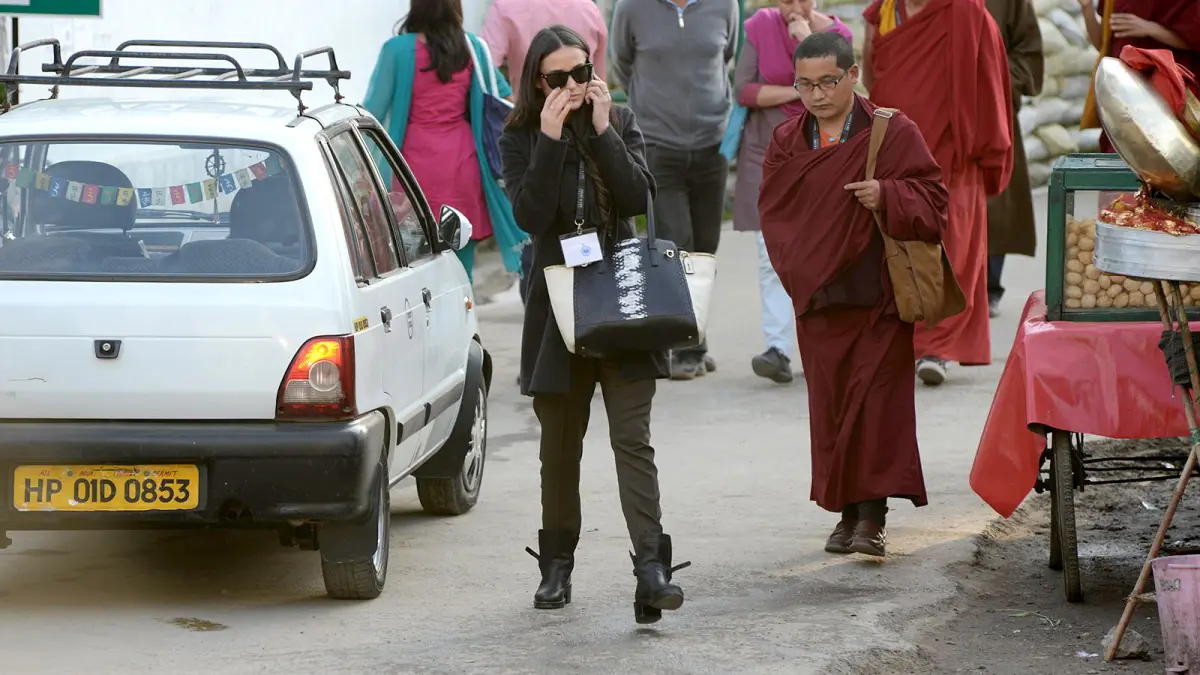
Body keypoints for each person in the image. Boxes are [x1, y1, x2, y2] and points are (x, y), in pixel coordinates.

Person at [498, 25, 688, 623]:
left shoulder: (620, 121)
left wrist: (603, 130)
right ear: (538, 81)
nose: (574, 87)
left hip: (622, 298)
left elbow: (636, 197)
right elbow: (532, 216)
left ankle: (652, 568)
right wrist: (551, 137)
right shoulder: (521, 136)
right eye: (559, 78)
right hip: (558, 305)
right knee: (559, 447)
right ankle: (557, 567)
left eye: (581, 73)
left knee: (632, 440)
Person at [758, 32, 947, 557]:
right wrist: (800, 272)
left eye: (827, 82)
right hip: (819, 298)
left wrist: (888, 194)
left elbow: (934, 200)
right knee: (834, 408)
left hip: (878, 294)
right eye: (804, 85)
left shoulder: (891, 131)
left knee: (878, 407)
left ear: (852, 74)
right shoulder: (788, 141)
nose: (815, 95)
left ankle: (873, 518)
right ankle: (845, 514)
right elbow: (774, 215)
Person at [862, 0, 1013, 386]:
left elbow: (991, 81)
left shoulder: (966, 13)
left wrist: (986, 145)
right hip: (897, 154)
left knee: (954, 248)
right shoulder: (882, 12)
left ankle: (936, 348)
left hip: (954, 153)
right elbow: (871, 75)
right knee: (899, 248)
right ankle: (906, 343)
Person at [610, 0, 740, 381]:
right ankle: (685, 348)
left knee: (705, 246)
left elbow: (726, 55)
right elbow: (622, 63)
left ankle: (693, 335)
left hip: (712, 142)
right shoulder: (631, 7)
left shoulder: (724, 5)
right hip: (657, 142)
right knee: (675, 244)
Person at [363, 0, 528, 281]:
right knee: (460, 271)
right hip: (464, 168)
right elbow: (503, 101)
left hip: (412, 173)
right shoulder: (473, 49)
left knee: (414, 270)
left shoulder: (398, 50)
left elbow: (371, 112)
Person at [734, 0, 852, 384]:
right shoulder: (758, 26)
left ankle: (824, 344)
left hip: (826, 152)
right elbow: (745, 90)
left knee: (826, 250)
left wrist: (808, 40)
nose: (792, 6)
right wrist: (799, 90)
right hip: (768, 151)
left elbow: (845, 94)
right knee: (771, 254)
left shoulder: (838, 35)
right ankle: (778, 348)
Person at [983, 0, 1044, 318]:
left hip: (992, 108)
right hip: (939, 111)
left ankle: (988, 285)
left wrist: (992, 77)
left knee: (997, 200)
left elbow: (1028, 51)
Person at [1078, 0, 1200, 154]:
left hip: (1169, 93)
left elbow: (1195, 40)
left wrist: (1151, 29)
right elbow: (1103, 43)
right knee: (1120, 159)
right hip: (1124, 96)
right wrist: (1087, 9)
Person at [481, 0, 609, 84]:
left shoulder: (504, 8)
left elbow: (484, 68)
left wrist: (508, 100)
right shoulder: (589, 8)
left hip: (529, 113)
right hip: (584, 115)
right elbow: (599, 77)